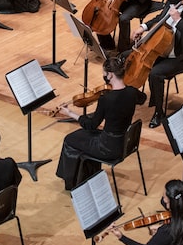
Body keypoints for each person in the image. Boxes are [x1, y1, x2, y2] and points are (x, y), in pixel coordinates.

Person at [55, 56, 146, 190]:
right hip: (125, 143)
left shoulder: (106, 99)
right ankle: (89, 175)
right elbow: (143, 98)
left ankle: (72, 182)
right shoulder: (132, 92)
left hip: (107, 148)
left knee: (69, 139)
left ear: (110, 75)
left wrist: (70, 113)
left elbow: (91, 125)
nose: (103, 75)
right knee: (84, 134)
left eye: (104, 73)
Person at [132, 0, 183, 128]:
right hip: (162, 51)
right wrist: (143, 27)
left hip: (182, 58)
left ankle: (159, 113)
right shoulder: (170, 5)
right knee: (127, 57)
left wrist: (178, 20)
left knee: (155, 73)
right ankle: (133, 95)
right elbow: (160, 19)